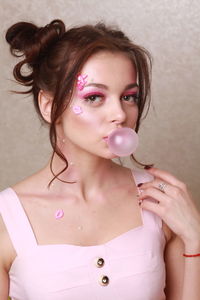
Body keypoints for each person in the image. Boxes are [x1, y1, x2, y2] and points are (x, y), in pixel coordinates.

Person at [0, 19, 199, 300]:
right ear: (48, 106)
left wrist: (194, 237)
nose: (120, 113)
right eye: (94, 97)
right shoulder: (6, 218)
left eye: (129, 96)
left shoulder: (159, 200)